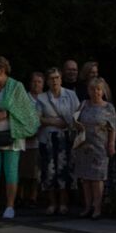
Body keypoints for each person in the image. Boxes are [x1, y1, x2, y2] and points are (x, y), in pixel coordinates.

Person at [0, 56, 39, 221]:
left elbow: (26, 112)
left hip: (12, 136)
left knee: (11, 171)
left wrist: (7, 113)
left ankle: (10, 206)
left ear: (1, 70)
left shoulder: (16, 87)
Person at [37, 67, 80, 213]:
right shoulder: (42, 98)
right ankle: (52, 203)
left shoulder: (71, 95)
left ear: (61, 79)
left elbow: (77, 116)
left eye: (57, 78)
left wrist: (62, 121)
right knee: (49, 171)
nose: (54, 81)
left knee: (64, 170)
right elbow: (37, 118)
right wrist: (53, 122)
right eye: (51, 78)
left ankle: (63, 203)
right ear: (47, 81)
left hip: (66, 138)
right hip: (48, 139)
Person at [72, 77, 116, 219]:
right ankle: (87, 206)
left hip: (100, 146)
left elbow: (113, 128)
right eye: (92, 89)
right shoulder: (84, 104)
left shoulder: (108, 107)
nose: (95, 92)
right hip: (84, 146)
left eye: (98, 89)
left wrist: (111, 144)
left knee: (97, 179)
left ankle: (97, 207)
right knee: (85, 178)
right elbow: (75, 120)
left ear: (102, 91)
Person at [18, 72, 45, 208]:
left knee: (35, 171)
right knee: (23, 170)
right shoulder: (24, 98)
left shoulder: (45, 99)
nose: (36, 84)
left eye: (39, 82)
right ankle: (21, 196)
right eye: (34, 81)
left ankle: (33, 197)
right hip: (24, 140)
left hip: (40, 139)